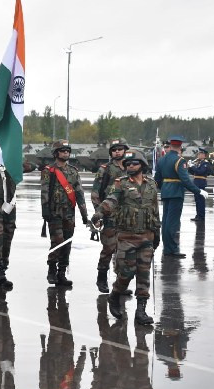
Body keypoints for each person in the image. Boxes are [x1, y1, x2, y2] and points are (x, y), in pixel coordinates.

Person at [90, 150, 160, 325]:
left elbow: (155, 210)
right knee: (126, 273)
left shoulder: (151, 184)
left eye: (134, 163)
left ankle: (141, 311)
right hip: (127, 237)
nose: (130, 166)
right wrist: (99, 213)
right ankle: (114, 296)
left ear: (142, 165)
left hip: (146, 236)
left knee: (144, 274)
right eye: (128, 164)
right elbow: (111, 200)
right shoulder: (120, 184)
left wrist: (157, 233)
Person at [0, 154, 35, 290]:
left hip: (9, 206)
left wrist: (14, 157)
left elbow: (31, 167)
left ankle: (3, 265)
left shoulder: (12, 166)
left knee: (8, 236)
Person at [41, 140, 88, 287]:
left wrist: (84, 214)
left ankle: (62, 274)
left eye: (67, 150)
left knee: (67, 244)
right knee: (57, 242)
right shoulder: (48, 171)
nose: (65, 153)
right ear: (56, 153)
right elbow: (44, 191)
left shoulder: (73, 171)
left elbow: (79, 193)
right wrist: (45, 211)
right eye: (62, 151)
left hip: (69, 213)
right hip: (54, 213)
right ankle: (51, 269)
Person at [153, 135, 207, 258]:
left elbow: (157, 180)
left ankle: (167, 248)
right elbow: (185, 180)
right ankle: (172, 250)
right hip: (176, 192)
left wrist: (164, 188)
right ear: (180, 147)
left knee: (166, 222)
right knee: (172, 223)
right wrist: (198, 191)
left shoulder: (161, 160)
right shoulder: (179, 160)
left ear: (171, 146)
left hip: (166, 192)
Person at [90, 138, 127, 292]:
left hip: (126, 215)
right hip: (109, 213)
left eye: (120, 149)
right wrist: (98, 214)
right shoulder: (105, 169)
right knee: (108, 249)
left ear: (125, 150)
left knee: (124, 251)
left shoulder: (131, 167)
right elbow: (95, 193)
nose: (117, 151)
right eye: (114, 149)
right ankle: (102, 278)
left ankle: (120, 285)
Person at [188, 148, 213, 222]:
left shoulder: (205, 163)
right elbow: (193, 173)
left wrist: (193, 167)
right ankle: (198, 215)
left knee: (200, 200)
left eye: (200, 154)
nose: (199, 155)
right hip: (196, 181)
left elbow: (200, 172)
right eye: (198, 154)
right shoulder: (198, 162)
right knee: (197, 200)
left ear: (204, 155)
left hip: (201, 182)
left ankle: (201, 216)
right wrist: (190, 167)